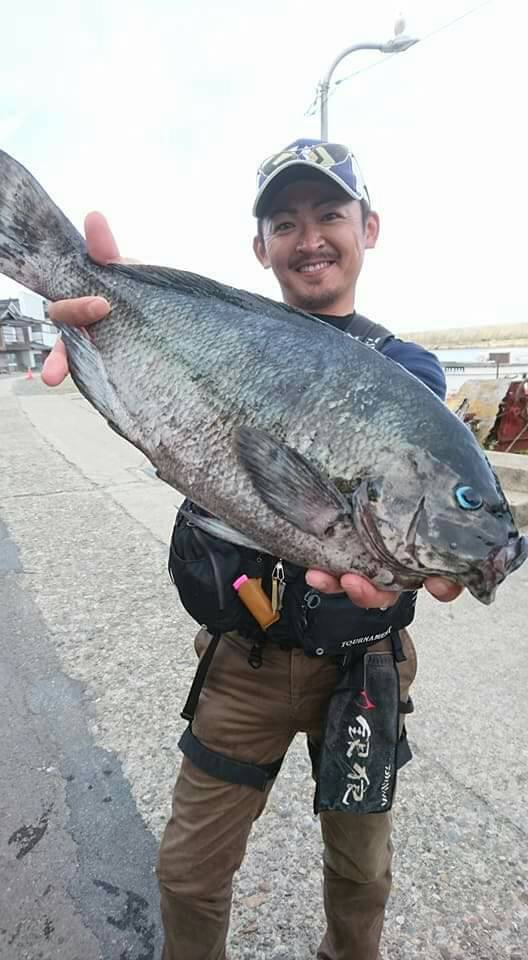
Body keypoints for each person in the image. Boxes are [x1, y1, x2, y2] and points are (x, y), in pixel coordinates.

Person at [44, 138, 462, 960]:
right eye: (285, 221)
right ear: (259, 247)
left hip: (365, 666)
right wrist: (109, 326)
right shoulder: (214, 329)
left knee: (362, 871)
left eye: (329, 214)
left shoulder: (407, 375)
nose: (309, 237)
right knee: (190, 873)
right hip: (244, 661)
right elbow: (179, 427)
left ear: (367, 227)